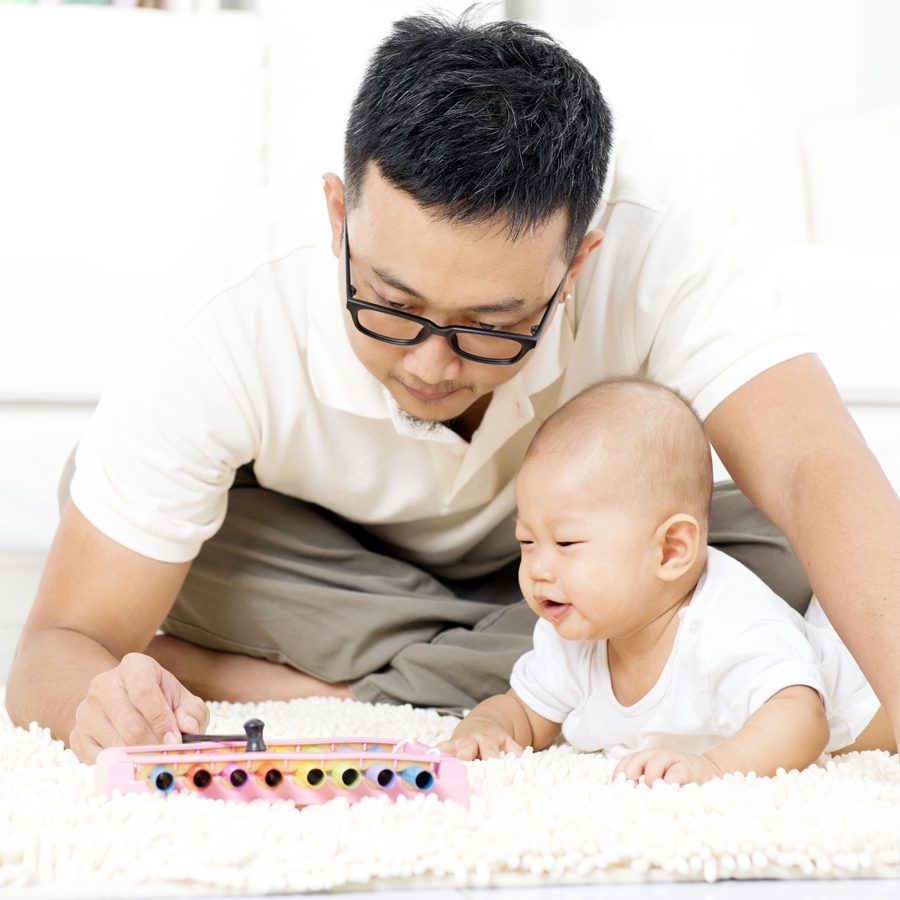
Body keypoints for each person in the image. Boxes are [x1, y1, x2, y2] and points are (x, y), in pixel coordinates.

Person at [6, 13, 899, 765]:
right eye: (391, 307)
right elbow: (54, 646)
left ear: (577, 262)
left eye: (491, 324)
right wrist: (100, 698)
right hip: (330, 571)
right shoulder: (226, 306)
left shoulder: (656, 243)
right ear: (336, 216)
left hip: (557, 564)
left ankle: (342, 687)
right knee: (113, 494)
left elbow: (814, 467)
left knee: (769, 550)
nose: (432, 366)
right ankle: (541, 666)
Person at [439, 378, 897, 782]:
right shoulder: (575, 633)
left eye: (566, 544)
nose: (538, 568)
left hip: (866, 686)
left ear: (671, 550)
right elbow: (523, 709)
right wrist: (486, 729)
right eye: (527, 541)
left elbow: (802, 720)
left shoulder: (730, 620)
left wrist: (716, 767)